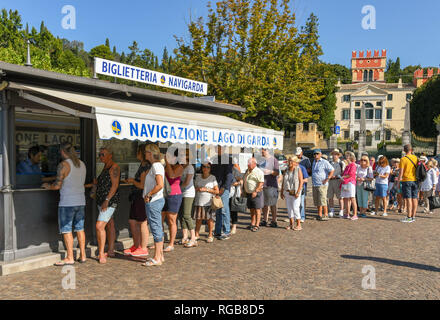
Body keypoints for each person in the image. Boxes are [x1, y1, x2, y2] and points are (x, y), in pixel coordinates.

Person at [42, 142, 87, 266]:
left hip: (67, 202)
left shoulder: (63, 165)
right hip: (80, 201)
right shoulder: (82, 164)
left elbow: (57, 186)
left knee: (67, 230)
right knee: (80, 229)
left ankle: (70, 257)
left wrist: (47, 186)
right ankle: (83, 255)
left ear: (62, 151)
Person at [123, 144, 151, 257]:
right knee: (132, 221)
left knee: (142, 222)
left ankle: (143, 248)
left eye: (138, 152)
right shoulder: (142, 165)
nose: (136, 154)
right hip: (136, 196)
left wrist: (132, 181)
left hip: (141, 196)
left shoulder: (146, 167)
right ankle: (136, 245)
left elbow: (142, 185)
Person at [94, 146, 120, 264]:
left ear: (110, 155)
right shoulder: (105, 167)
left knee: (99, 226)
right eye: (99, 154)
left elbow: (114, 186)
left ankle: (101, 253)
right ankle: (110, 250)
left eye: (103, 154)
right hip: (102, 200)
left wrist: (107, 200)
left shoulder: (114, 167)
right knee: (110, 224)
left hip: (109, 202)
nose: (100, 157)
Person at [142, 144, 165, 267]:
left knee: (156, 228)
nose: (145, 154)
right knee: (157, 227)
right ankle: (160, 255)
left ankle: (157, 257)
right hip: (156, 200)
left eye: (146, 152)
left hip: (154, 201)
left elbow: (160, 184)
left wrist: (149, 194)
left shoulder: (156, 166)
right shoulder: (157, 166)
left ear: (151, 153)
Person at [162, 149, 184, 252]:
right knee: (160, 219)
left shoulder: (180, 167)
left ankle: (171, 243)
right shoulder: (166, 166)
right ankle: (159, 242)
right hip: (164, 194)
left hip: (174, 195)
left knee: (171, 220)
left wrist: (167, 163)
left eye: (170, 156)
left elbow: (171, 175)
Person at [211, 146, 233, 240]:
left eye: (219, 147)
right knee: (218, 210)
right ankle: (218, 230)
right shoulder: (215, 159)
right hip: (216, 187)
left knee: (224, 210)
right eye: (217, 147)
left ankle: (226, 231)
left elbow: (229, 176)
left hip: (224, 188)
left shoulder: (228, 159)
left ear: (223, 149)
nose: (217, 149)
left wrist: (223, 188)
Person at [193, 161, 219, 243]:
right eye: (204, 167)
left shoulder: (212, 178)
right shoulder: (198, 177)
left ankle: (210, 234)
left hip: (208, 202)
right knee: (198, 218)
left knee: (209, 219)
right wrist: (198, 189)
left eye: (208, 167)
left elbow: (217, 191)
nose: (206, 169)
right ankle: (196, 234)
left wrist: (206, 189)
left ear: (210, 169)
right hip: (199, 201)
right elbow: (195, 187)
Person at [178, 149, 197, 248]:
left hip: (188, 193)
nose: (180, 157)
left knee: (187, 215)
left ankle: (193, 238)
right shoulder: (181, 167)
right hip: (181, 193)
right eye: (180, 155)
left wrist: (177, 188)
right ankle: (185, 237)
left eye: (183, 155)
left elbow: (186, 182)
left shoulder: (190, 167)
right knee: (182, 215)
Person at [280, 155, 304, 230]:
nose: (289, 162)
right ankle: (291, 224)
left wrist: (298, 192)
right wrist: (281, 191)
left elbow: (301, 182)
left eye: (291, 161)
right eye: (289, 161)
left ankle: (299, 225)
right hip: (287, 191)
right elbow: (283, 181)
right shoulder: (286, 169)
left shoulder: (298, 169)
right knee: (289, 208)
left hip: (295, 192)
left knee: (295, 208)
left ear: (295, 162)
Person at [311, 149, 335, 221]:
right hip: (315, 184)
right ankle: (319, 215)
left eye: (317, 154)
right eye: (314, 154)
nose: (316, 155)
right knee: (317, 200)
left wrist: (327, 178)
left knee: (323, 200)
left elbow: (332, 170)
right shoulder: (314, 162)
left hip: (322, 184)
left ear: (321, 154)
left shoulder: (324, 162)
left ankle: (326, 214)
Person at [259, 148, 280, 227]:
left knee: (272, 204)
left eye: (263, 150)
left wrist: (270, 172)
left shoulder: (274, 160)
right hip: (262, 185)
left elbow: (277, 172)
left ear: (267, 151)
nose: (261, 152)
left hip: (271, 185)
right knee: (264, 204)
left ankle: (274, 221)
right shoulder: (261, 160)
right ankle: (265, 220)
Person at [398, 145, 419, 223]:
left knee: (408, 199)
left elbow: (401, 172)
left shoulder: (403, 159)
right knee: (414, 198)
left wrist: (398, 182)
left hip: (406, 180)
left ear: (404, 150)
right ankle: (413, 216)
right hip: (415, 180)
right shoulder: (416, 158)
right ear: (411, 150)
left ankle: (409, 217)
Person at [243, 157, 264, 231]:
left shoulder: (259, 171)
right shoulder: (247, 171)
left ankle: (257, 225)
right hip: (249, 193)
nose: (248, 165)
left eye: (249, 163)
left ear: (254, 164)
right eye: (248, 163)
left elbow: (261, 182)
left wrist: (256, 191)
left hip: (256, 193)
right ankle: (252, 223)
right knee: (251, 209)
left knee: (257, 209)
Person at [327, 149, 345, 218]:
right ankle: (332, 210)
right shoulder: (330, 162)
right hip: (330, 181)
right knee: (330, 196)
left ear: (338, 155)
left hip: (338, 181)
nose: (334, 156)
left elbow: (344, 173)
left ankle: (341, 211)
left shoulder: (341, 163)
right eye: (333, 154)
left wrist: (337, 176)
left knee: (340, 197)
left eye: (336, 154)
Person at [340, 152, 358, 220]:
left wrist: (343, 177)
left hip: (351, 183)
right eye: (346, 156)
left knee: (352, 198)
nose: (346, 157)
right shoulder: (348, 165)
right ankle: (347, 213)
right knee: (346, 198)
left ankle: (355, 214)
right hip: (346, 183)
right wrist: (342, 177)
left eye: (348, 156)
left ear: (351, 157)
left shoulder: (353, 165)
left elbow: (351, 174)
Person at [229, 158, 243, 235]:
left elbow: (240, 180)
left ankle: (234, 226)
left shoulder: (235, 170)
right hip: (225, 192)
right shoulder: (225, 169)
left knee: (233, 210)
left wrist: (235, 184)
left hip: (233, 193)